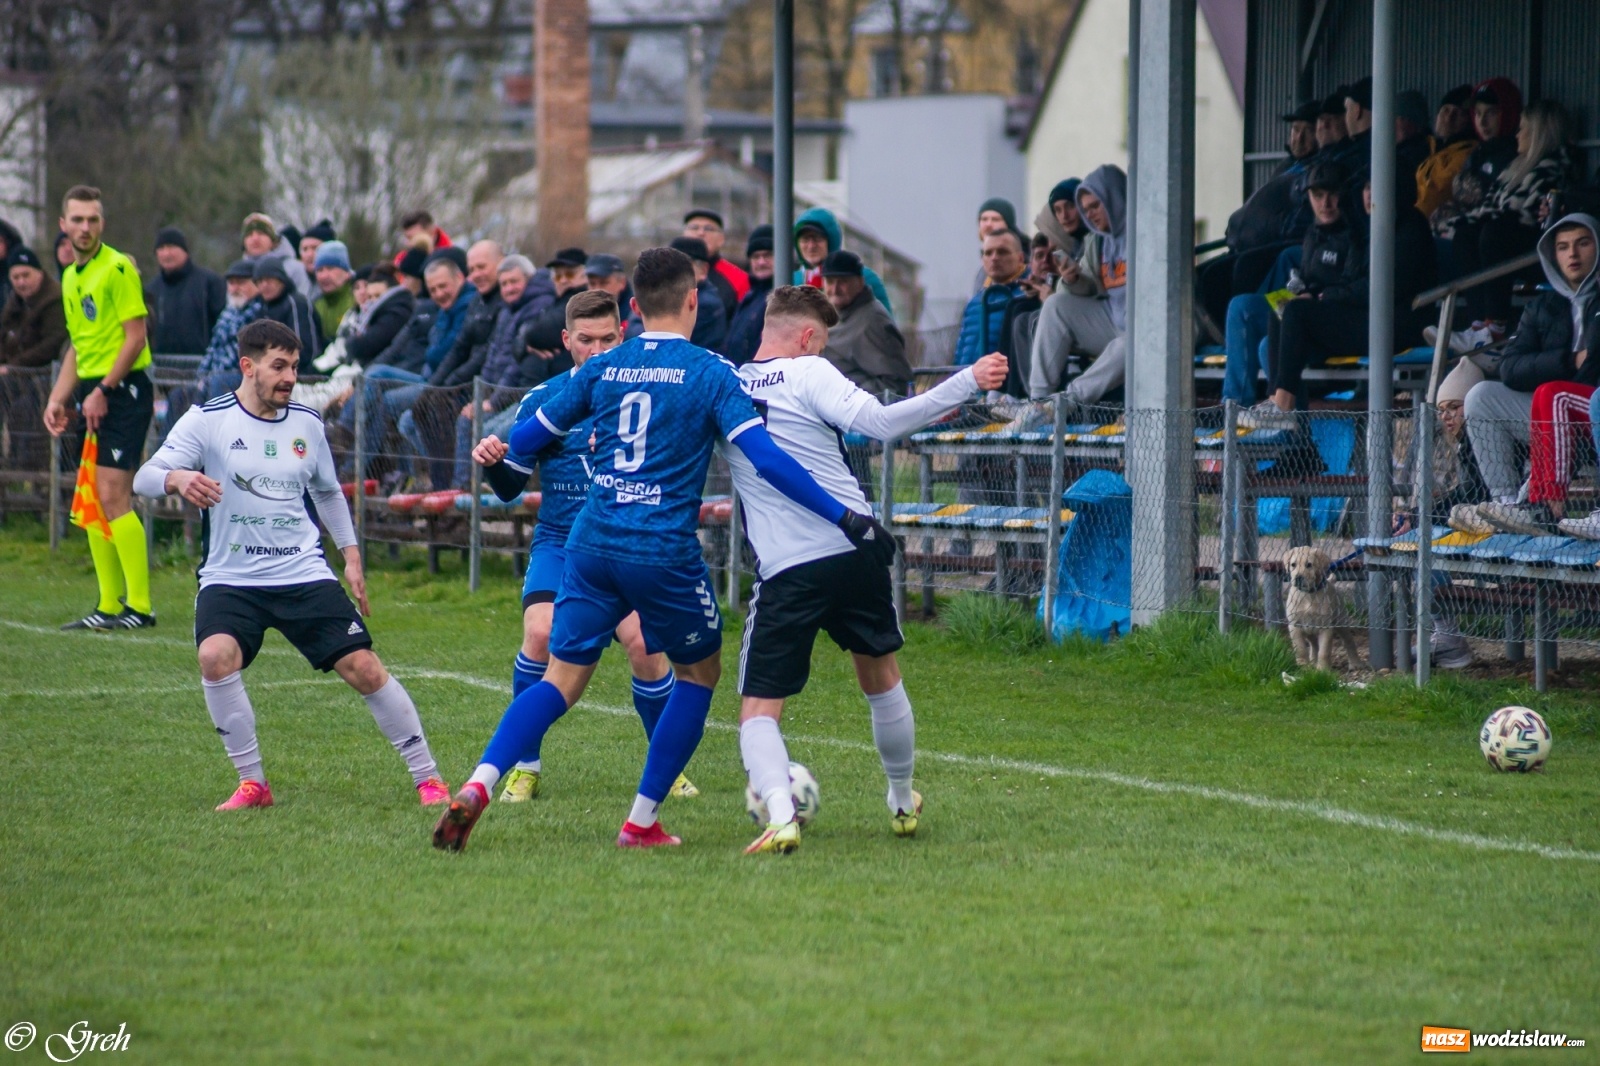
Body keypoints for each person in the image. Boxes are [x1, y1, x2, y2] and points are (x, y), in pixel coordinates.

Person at [430, 246, 896, 852]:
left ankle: (479, 783)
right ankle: (641, 821)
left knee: (562, 678)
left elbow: (522, 442)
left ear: (632, 308)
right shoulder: (711, 371)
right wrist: (843, 515)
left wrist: (500, 460)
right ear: (694, 299)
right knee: (699, 672)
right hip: (660, 551)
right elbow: (769, 459)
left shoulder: (602, 367)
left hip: (591, 543)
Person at [726, 286, 1010, 852]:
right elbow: (881, 423)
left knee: (759, 710)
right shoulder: (809, 372)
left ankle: (781, 814)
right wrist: (966, 380)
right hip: (856, 546)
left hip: (788, 565)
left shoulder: (726, 382)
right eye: (823, 340)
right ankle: (902, 799)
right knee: (880, 677)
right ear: (808, 337)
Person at [132, 319, 450, 811]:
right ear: (248, 366)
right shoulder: (208, 419)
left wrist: (351, 557)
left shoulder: (306, 422)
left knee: (363, 667)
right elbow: (143, 477)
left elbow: (325, 490)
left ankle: (429, 779)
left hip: (302, 572)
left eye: (295, 368)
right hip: (231, 577)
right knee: (215, 657)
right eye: (278, 366)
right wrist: (176, 477)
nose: (289, 377)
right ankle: (253, 785)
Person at [469, 289, 697, 802]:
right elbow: (510, 486)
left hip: (622, 542)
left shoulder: (646, 393)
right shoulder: (547, 399)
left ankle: (666, 768)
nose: (596, 351)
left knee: (643, 643)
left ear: (625, 334)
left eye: (608, 339)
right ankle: (525, 765)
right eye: (585, 341)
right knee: (540, 632)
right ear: (566, 341)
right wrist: (492, 464)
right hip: (560, 542)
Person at [43, 185, 157, 632]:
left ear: (101, 224)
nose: (85, 228)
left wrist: (103, 391)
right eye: (78, 220)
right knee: (91, 495)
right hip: (95, 392)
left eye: (93, 220)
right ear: (64, 225)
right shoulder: (71, 276)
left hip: (124, 390)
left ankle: (141, 607)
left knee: (113, 495)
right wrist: (57, 397)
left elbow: (136, 337)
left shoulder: (118, 267)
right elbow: (76, 348)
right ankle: (109, 605)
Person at [1244, 169, 1435, 428]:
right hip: (1364, 316)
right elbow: (1350, 279)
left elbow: (1382, 288)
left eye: (1378, 188)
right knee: (1284, 307)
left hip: (1394, 324)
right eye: (1368, 188)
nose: (1371, 195)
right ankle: (1276, 402)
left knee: (1298, 313)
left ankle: (1284, 406)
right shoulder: (1367, 226)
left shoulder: (1409, 226)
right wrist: (1314, 294)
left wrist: (1324, 296)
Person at [1465, 214, 1599, 535]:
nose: (1573, 255)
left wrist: (1573, 369)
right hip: (1552, 411)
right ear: (1552, 255)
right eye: (1563, 247)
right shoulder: (1542, 307)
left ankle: (1543, 506)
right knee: (1480, 397)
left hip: (1590, 406)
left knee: (1553, 394)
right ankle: (1508, 505)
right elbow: (1509, 369)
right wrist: (1568, 360)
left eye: (1582, 243)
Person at [1452, 98, 1573, 334]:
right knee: (1465, 235)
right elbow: (1490, 208)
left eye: (1522, 129)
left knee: (1495, 231)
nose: (1516, 135)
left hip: (1540, 253)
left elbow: (1524, 217)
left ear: (1538, 133)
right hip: (1510, 250)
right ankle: (1478, 325)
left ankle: (1496, 324)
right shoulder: (1514, 168)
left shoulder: (1553, 168)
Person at [1023, 163, 1128, 418]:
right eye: (1086, 208)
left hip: (1152, 331)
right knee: (1055, 305)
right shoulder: (1099, 239)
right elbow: (1091, 285)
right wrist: (1073, 279)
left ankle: (1065, 403)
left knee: (1133, 344)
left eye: (1095, 206)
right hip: (1115, 319)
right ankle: (1038, 403)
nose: (1089, 214)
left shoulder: (1146, 233)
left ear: (1114, 198)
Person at [404, 240, 505, 490]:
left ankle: (457, 487)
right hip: (464, 382)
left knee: (441, 408)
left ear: (500, 264)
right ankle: (442, 483)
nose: (477, 275)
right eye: (473, 269)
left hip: (486, 385)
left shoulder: (504, 300)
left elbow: (484, 354)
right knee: (419, 409)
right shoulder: (477, 301)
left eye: (482, 267)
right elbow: (459, 348)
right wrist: (437, 386)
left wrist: (447, 387)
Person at [0, 246, 67, 472]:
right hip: (14, 375)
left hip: (44, 378)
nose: (21, 282)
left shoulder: (55, 299)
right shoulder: (15, 302)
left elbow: (52, 343)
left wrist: (12, 367)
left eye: (26, 275)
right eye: (15, 277)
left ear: (39, 272)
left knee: (24, 410)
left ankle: (23, 468)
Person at [819, 250, 911, 396]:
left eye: (842, 282)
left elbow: (895, 385)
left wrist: (845, 394)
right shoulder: (835, 315)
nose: (835, 289)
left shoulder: (873, 321)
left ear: (860, 282)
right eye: (830, 282)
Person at [792, 207, 892, 315]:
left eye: (817, 239)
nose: (811, 246)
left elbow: (886, 327)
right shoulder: (791, 280)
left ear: (832, 241)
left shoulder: (864, 278)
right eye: (805, 240)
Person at [144, 227, 225, 356]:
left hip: (202, 366)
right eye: (161, 248)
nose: (166, 253)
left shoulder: (209, 283)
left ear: (185, 251)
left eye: (171, 247)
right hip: (160, 367)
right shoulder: (151, 290)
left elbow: (223, 326)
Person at [955, 230, 1027, 368]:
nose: (994, 258)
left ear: (1020, 258)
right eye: (988, 253)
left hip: (1002, 386)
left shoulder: (1025, 299)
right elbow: (961, 351)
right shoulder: (974, 302)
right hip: (968, 385)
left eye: (1002, 252)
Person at [519, 247, 590, 379]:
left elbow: (537, 333)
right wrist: (526, 344)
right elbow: (520, 337)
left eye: (569, 274)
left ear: (584, 276)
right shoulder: (553, 301)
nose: (563, 280)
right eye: (558, 275)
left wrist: (527, 341)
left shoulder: (580, 303)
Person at [1417, 85, 1479, 225]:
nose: (1449, 118)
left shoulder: (1467, 153)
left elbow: (1438, 193)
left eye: (1459, 113)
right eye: (1446, 110)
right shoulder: (1428, 148)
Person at [660, 237, 727, 351]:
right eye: (671, 265)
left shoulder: (705, 304)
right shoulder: (669, 295)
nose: (675, 271)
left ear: (703, 270)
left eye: (683, 266)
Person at [724, 225, 775, 365]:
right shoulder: (748, 298)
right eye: (756, 256)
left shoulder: (782, 299)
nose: (761, 262)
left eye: (767, 255)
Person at [682, 209, 748, 317]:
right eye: (694, 228)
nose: (701, 233)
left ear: (721, 239)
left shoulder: (738, 279)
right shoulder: (667, 273)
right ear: (683, 234)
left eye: (709, 229)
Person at [252, 258, 320, 359]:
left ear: (281, 281)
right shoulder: (262, 307)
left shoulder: (296, 304)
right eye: (260, 281)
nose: (264, 285)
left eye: (269, 280)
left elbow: (305, 348)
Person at [240, 212, 311, 296]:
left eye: (261, 233)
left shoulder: (294, 268)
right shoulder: (239, 274)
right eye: (249, 235)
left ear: (273, 241)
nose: (255, 239)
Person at [310, 240, 356, 344]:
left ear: (347, 272)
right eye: (319, 270)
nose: (324, 276)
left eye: (330, 268)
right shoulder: (314, 305)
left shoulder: (358, 301)